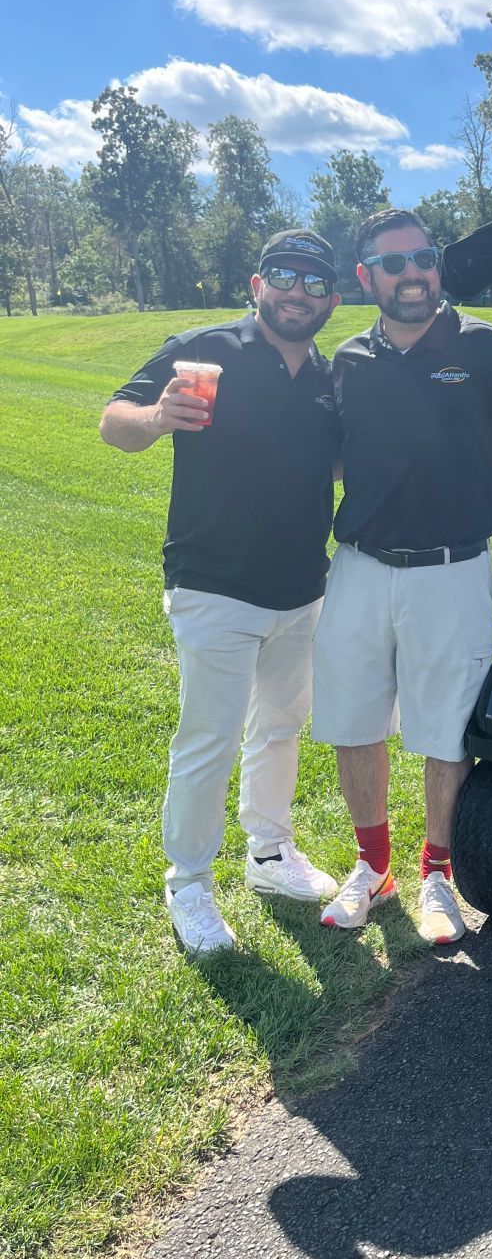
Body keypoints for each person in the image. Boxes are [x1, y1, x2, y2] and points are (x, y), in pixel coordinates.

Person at [312, 209, 492, 942]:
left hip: (452, 569)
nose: (413, 274)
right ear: (367, 277)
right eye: (395, 263)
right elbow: (336, 455)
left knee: (445, 731)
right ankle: (372, 869)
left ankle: (437, 872)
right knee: (354, 722)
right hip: (362, 566)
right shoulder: (348, 359)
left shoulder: (485, 348)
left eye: (424, 258)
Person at [100, 230, 346, 954]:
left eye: (313, 281)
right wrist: (155, 418)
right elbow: (116, 421)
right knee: (207, 738)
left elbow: (330, 464)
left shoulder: (328, 377)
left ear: (331, 298)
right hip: (213, 582)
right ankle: (189, 887)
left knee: (277, 727)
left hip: (302, 584)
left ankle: (270, 856)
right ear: (256, 283)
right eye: (284, 276)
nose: (297, 291)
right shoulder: (204, 349)